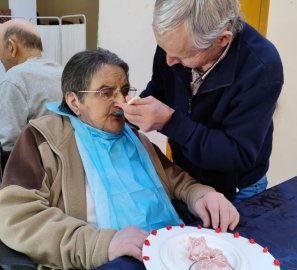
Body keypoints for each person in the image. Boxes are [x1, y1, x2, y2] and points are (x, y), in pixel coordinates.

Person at [0, 48, 239, 269]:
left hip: (168, 252)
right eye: (106, 93)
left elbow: (176, 179)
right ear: (74, 101)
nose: (121, 103)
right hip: (98, 260)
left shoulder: (132, 135)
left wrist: (202, 195)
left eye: (124, 91)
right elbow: (16, 215)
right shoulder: (43, 139)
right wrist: (101, 244)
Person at [121, 0, 284, 203]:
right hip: (187, 178)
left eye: (181, 55)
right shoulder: (174, 45)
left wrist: (170, 122)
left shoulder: (261, 67)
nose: (169, 61)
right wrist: (130, 112)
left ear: (222, 39)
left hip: (237, 187)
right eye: (165, 49)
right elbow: (160, 88)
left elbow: (237, 154)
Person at [0, 19, 63, 154]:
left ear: (11, 47)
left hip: (35, 169)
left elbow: (8, 145)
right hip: (65, 163)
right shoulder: (62, 71)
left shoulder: (14, 78)